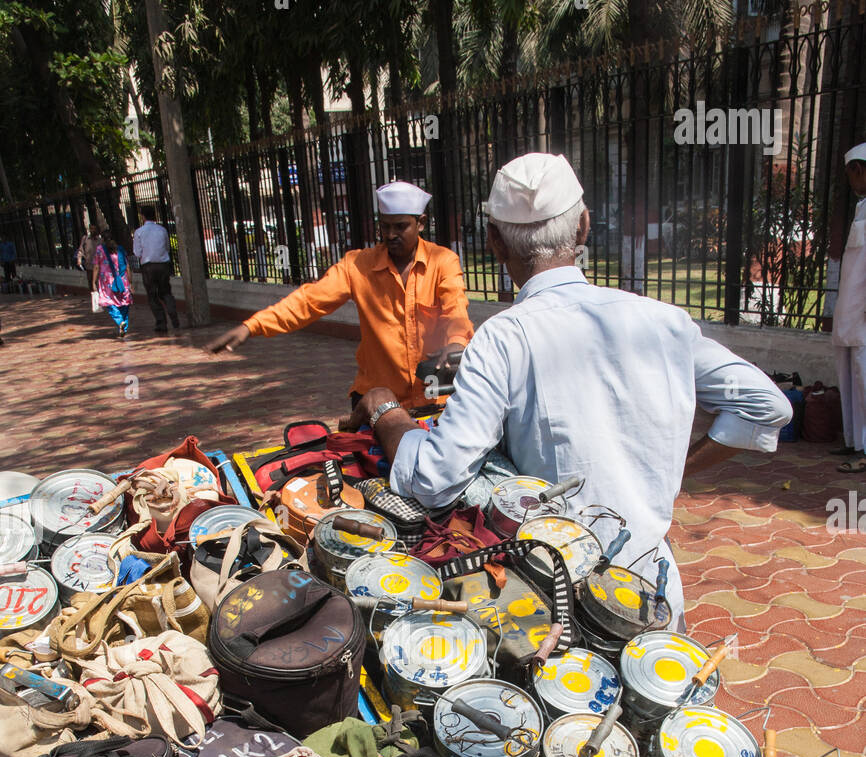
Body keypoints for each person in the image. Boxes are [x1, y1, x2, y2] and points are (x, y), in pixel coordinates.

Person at [341, 153, 792, 628]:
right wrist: (669, 472)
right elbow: (766, 407)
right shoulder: (664, 322)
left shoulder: (504, 337)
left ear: (494, 242)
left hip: (556, 600)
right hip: (650, 592)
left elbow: (436, 479)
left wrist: (386, 410)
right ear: (583, 227)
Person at [205, 181, 474, 410]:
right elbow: (308, 302)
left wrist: (457, 342)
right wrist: (251, 326)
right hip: (378, 402)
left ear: (421, 223)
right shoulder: (357, 265)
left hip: (433, 397)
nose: (390, 235)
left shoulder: (443, 262)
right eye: (385, 226)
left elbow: (456, 309)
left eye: (400, 226)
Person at [832, 143, 866, 473]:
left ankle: (864, 448)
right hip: (851, 310)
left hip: (864, 312)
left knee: (865, 378)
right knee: (850, 375)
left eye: (853, 173)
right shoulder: (862, 208)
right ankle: (854, 441)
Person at [133, 205, 180, 335]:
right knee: (166, 292)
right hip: (163, 264)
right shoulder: (162, 230)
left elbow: (137, 253)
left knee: (152, 295)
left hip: (148, 266)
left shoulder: (139, 232)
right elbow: (167, 247)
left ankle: (161, 323)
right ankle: (173, 314)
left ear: (142, 216)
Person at [92, 234, 132, 338]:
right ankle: (124, 326)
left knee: (110, 303)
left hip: (107, 282)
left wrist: (93, 282)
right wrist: (130, 282)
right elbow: (127, 267)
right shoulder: (121, 250)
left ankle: (120, 322)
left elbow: (96, 267)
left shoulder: (100, 250)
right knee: (124, 303)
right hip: (123, 281)